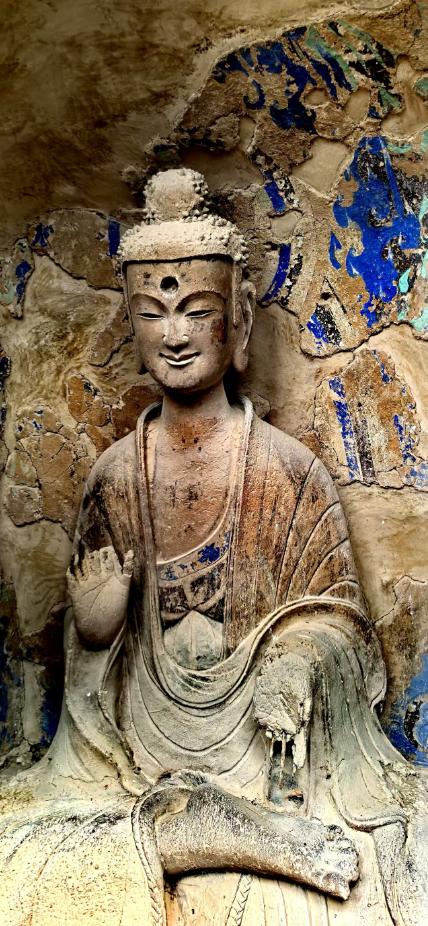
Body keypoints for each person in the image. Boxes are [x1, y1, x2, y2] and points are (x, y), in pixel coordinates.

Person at [0, 168, 425, 926]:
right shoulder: (113, 478)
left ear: (240, 319)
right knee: (20, 848)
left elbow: (338, 622)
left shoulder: (287, 472)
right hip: (133, 768)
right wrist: (97, 629)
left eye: (197, 311)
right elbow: (89, 704)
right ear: (131, 323)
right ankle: (225, 836)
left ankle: (242, 833)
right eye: (152, 313)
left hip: (268, 762)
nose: (175, 334)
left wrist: (298, 663)